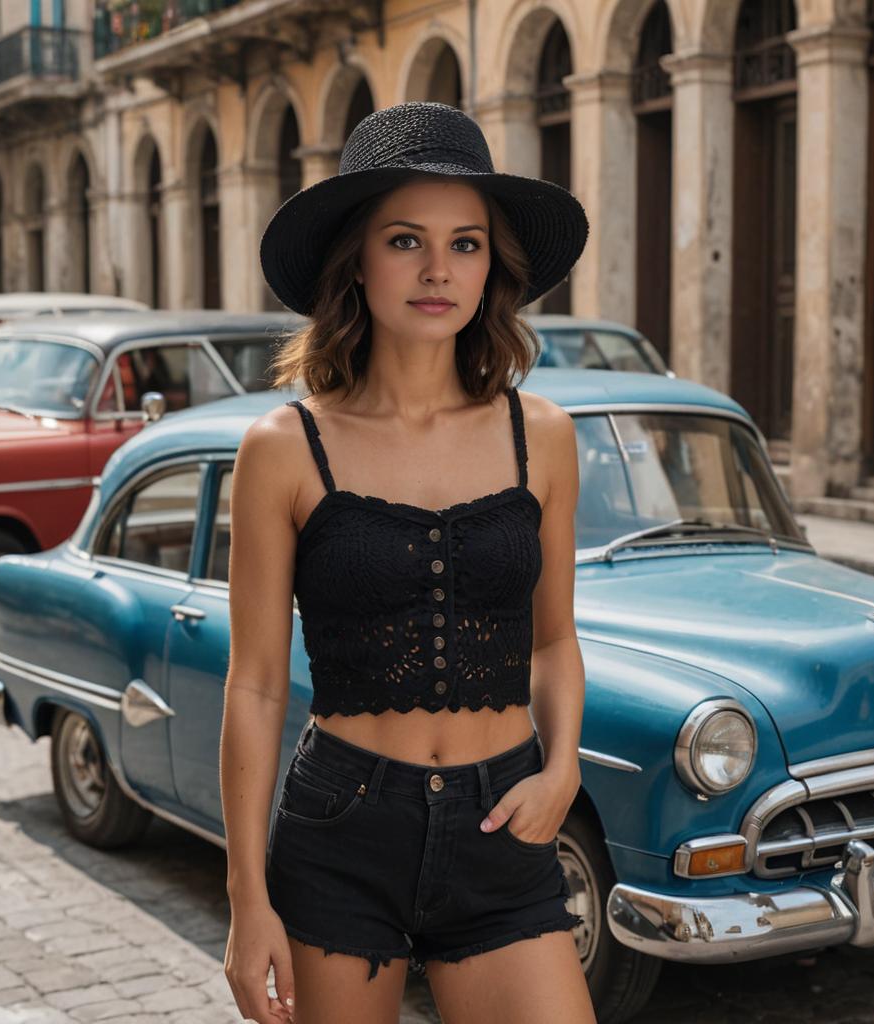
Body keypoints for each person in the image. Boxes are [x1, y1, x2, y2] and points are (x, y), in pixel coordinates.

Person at [221, 101, 594, 1024]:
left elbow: (553, 641)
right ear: (355, 258)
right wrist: (245, 901)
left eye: (466, 244)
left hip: (504, 824)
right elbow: (258, 685)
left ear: (490, 268)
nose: (438, 269)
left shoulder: (540, 436)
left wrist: (564, 769)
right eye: (405, 240)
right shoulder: (283, 447)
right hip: (343, 829)